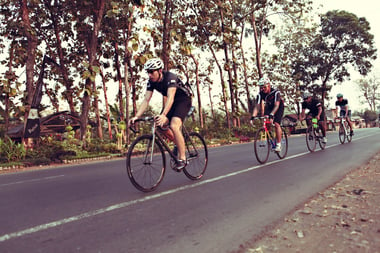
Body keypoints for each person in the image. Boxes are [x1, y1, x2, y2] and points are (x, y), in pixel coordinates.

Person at [129, 58, 192, 171]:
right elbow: (146, 99)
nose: (149, 75)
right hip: (172, 103)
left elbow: (171, 97)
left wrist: (163, 115)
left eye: (152, 72)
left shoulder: (170, 78)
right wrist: (137, 116)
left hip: (183, 100)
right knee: (159, 125)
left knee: (174, 125)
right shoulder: (151, 82)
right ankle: (178, 143)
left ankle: (182, 158)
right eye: (148, 72)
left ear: (160, 71)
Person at [251, 77, 284, 152]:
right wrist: (253, 116)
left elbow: (276, 105)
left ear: (269, 85)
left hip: (278, 107)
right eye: (261, 87)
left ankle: (278, 144)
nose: (263, 89)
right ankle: (271, 139)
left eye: (264, 87)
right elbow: (257, 106)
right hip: (269, 106)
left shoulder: (276, 92)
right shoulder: (260, 94)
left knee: (276, 124)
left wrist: (272, 114)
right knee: (266, 122)